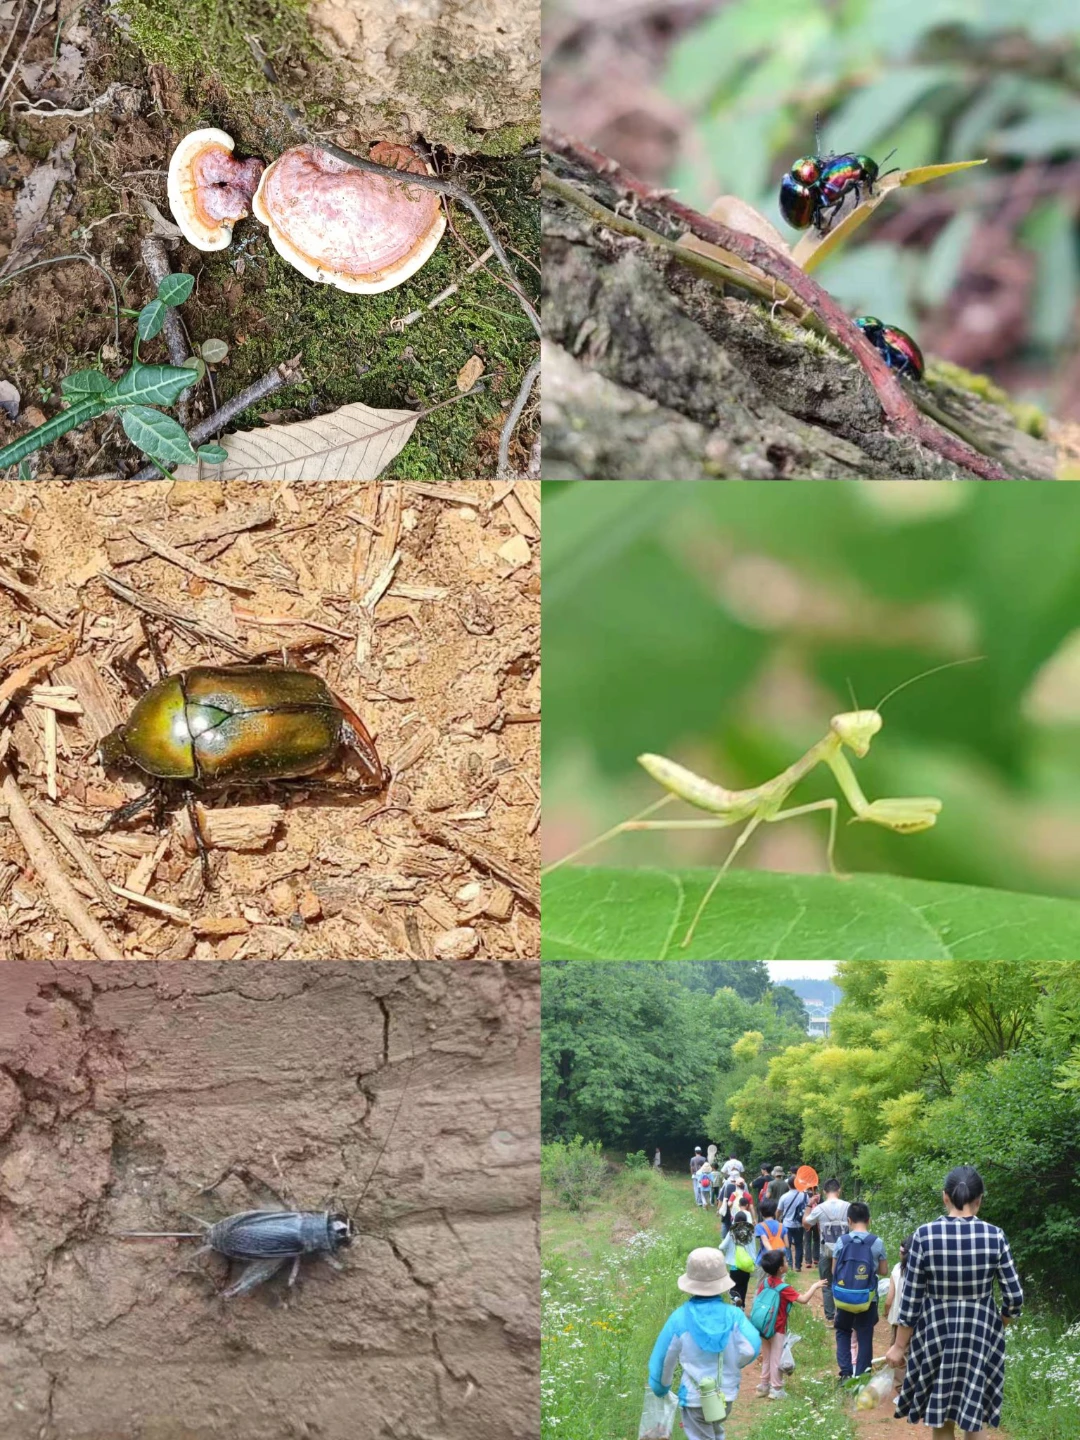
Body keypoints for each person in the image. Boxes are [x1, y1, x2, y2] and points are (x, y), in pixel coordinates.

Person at [886, 1166, 1023, 1440]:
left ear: (945, 1197)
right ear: (980, 1198)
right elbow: (1015, 1298)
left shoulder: (924, 1236)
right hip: (980, 1335)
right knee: (974, 1419)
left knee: (943, 1418)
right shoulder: (995, 1236)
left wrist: (899, 1346)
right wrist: (998, 1323)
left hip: (936, 1334)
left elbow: (911, 1300)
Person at [648, 1248, 761, 1440]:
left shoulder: (679, 1319)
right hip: (725, 1395)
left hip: (694, 1397)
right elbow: (751, 1347)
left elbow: (664, 1358)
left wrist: (661, 1386)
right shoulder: (734, 1315)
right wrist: (733, 1363)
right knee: (716, 1431)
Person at [752, 1249, 826, 1400]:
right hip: (777, 1328)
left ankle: (763, 1386)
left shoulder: (765, 1282)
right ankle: (777, 1389)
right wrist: (815, 1286)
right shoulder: (783, 1288)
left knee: (767, 1357)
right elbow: (804, 1299)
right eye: (785, 1261)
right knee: (776, 1358)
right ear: (780, 1269)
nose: (787, 1263)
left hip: (763, 1326)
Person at [830, 1200, 887, 1381]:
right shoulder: (876, 1242)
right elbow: (884, 1271)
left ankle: (846, 1373)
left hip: (844, 1297)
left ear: (849, 1220)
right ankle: (862, 1377)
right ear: (869, 1220)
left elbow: (834, 1270)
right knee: (865, 1333)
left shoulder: (841, 1241)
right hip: (867, 1298)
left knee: (843, 1331)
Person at [803, 1177, 849, 1326]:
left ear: (824, 1191)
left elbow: (806, 1223)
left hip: (826, 1251)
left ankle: (830, 1317)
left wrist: (809, 1205)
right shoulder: (848, 1207)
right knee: (845, 1282)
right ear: (839, 1190)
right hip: (845, 1252)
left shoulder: (819, 1208)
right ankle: (845, 1315)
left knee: (826, 1283)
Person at [718, 1210, 758, 1309]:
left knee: (733, 1287)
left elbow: (722, 1247)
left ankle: (735, 1299)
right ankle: (742, 1307)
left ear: (735, 1220)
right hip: (747, 1266)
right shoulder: (751, 1231)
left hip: (734, 1265)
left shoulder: (732, 1231)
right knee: (743, 1288)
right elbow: (753, 1249)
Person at [886, 1235, 913, 1345]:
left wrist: (886, 1311)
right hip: (915, 1319)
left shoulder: (897, 1269)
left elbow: (889, 1299)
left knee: (896, 1346)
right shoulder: (920, 1270)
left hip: (898, 1318)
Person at [776, 1178, 808, 1270]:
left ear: (788, 1185)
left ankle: (789, 1264)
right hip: (799, 1224)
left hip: (787, 1225)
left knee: (787, 1245)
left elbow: (779, 1210)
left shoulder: (784, 1196)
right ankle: (798, 1266)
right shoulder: (804, 1195)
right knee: (799, 1245)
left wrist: (777, 1219)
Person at [718, 1169, 754, 1238]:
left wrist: (718, 1209)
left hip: (728, 1212)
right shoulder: (744, 1184)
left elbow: (721, 1199)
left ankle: (725, 1241)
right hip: (742, 1213)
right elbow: (748, 1198)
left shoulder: (727, 1185)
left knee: (726, 1226)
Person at [803, 1187, 822, 1269]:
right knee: (816, 1239)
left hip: (807, 1220)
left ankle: (808, 1261)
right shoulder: (819, 1197)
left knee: (807, 1240)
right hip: (817, 1220)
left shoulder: (804, 1196)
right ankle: (816, 1258)